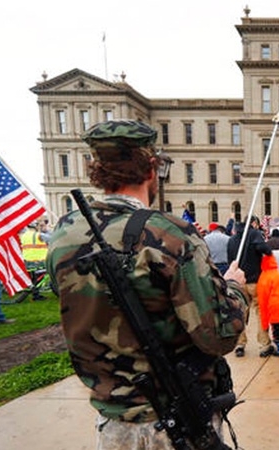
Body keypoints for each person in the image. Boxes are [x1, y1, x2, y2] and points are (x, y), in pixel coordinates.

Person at [46, 120, 247, 449]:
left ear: (97, 169)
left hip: (112, 421)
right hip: (174, 423)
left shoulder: (63, 233)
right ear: (152, 168)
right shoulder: (169, 234)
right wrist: (234, 289)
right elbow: (218, 334)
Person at [227, 216, 274, 357]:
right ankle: (264, 344)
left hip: (238, 283)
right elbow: (265, 249)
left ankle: (240, 344)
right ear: (253, 223)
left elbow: (230, 261)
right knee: (260, 313)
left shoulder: (231, 240)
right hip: (254, 281)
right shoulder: (253, 234)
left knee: (239, 313)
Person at [257, 253, 279, 357]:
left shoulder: (264, 278)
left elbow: (263, 302)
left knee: (277, 331)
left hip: (274, 309)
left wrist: (264, 323)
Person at [20, 222, 49, 300]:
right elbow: (52, 239)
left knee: (34, 279)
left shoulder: (24, 235)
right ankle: (35, 294)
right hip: (39, 260)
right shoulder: (38, 235)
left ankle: (35, 294)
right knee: (41, 277)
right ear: (35, 226)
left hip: (27, 260)